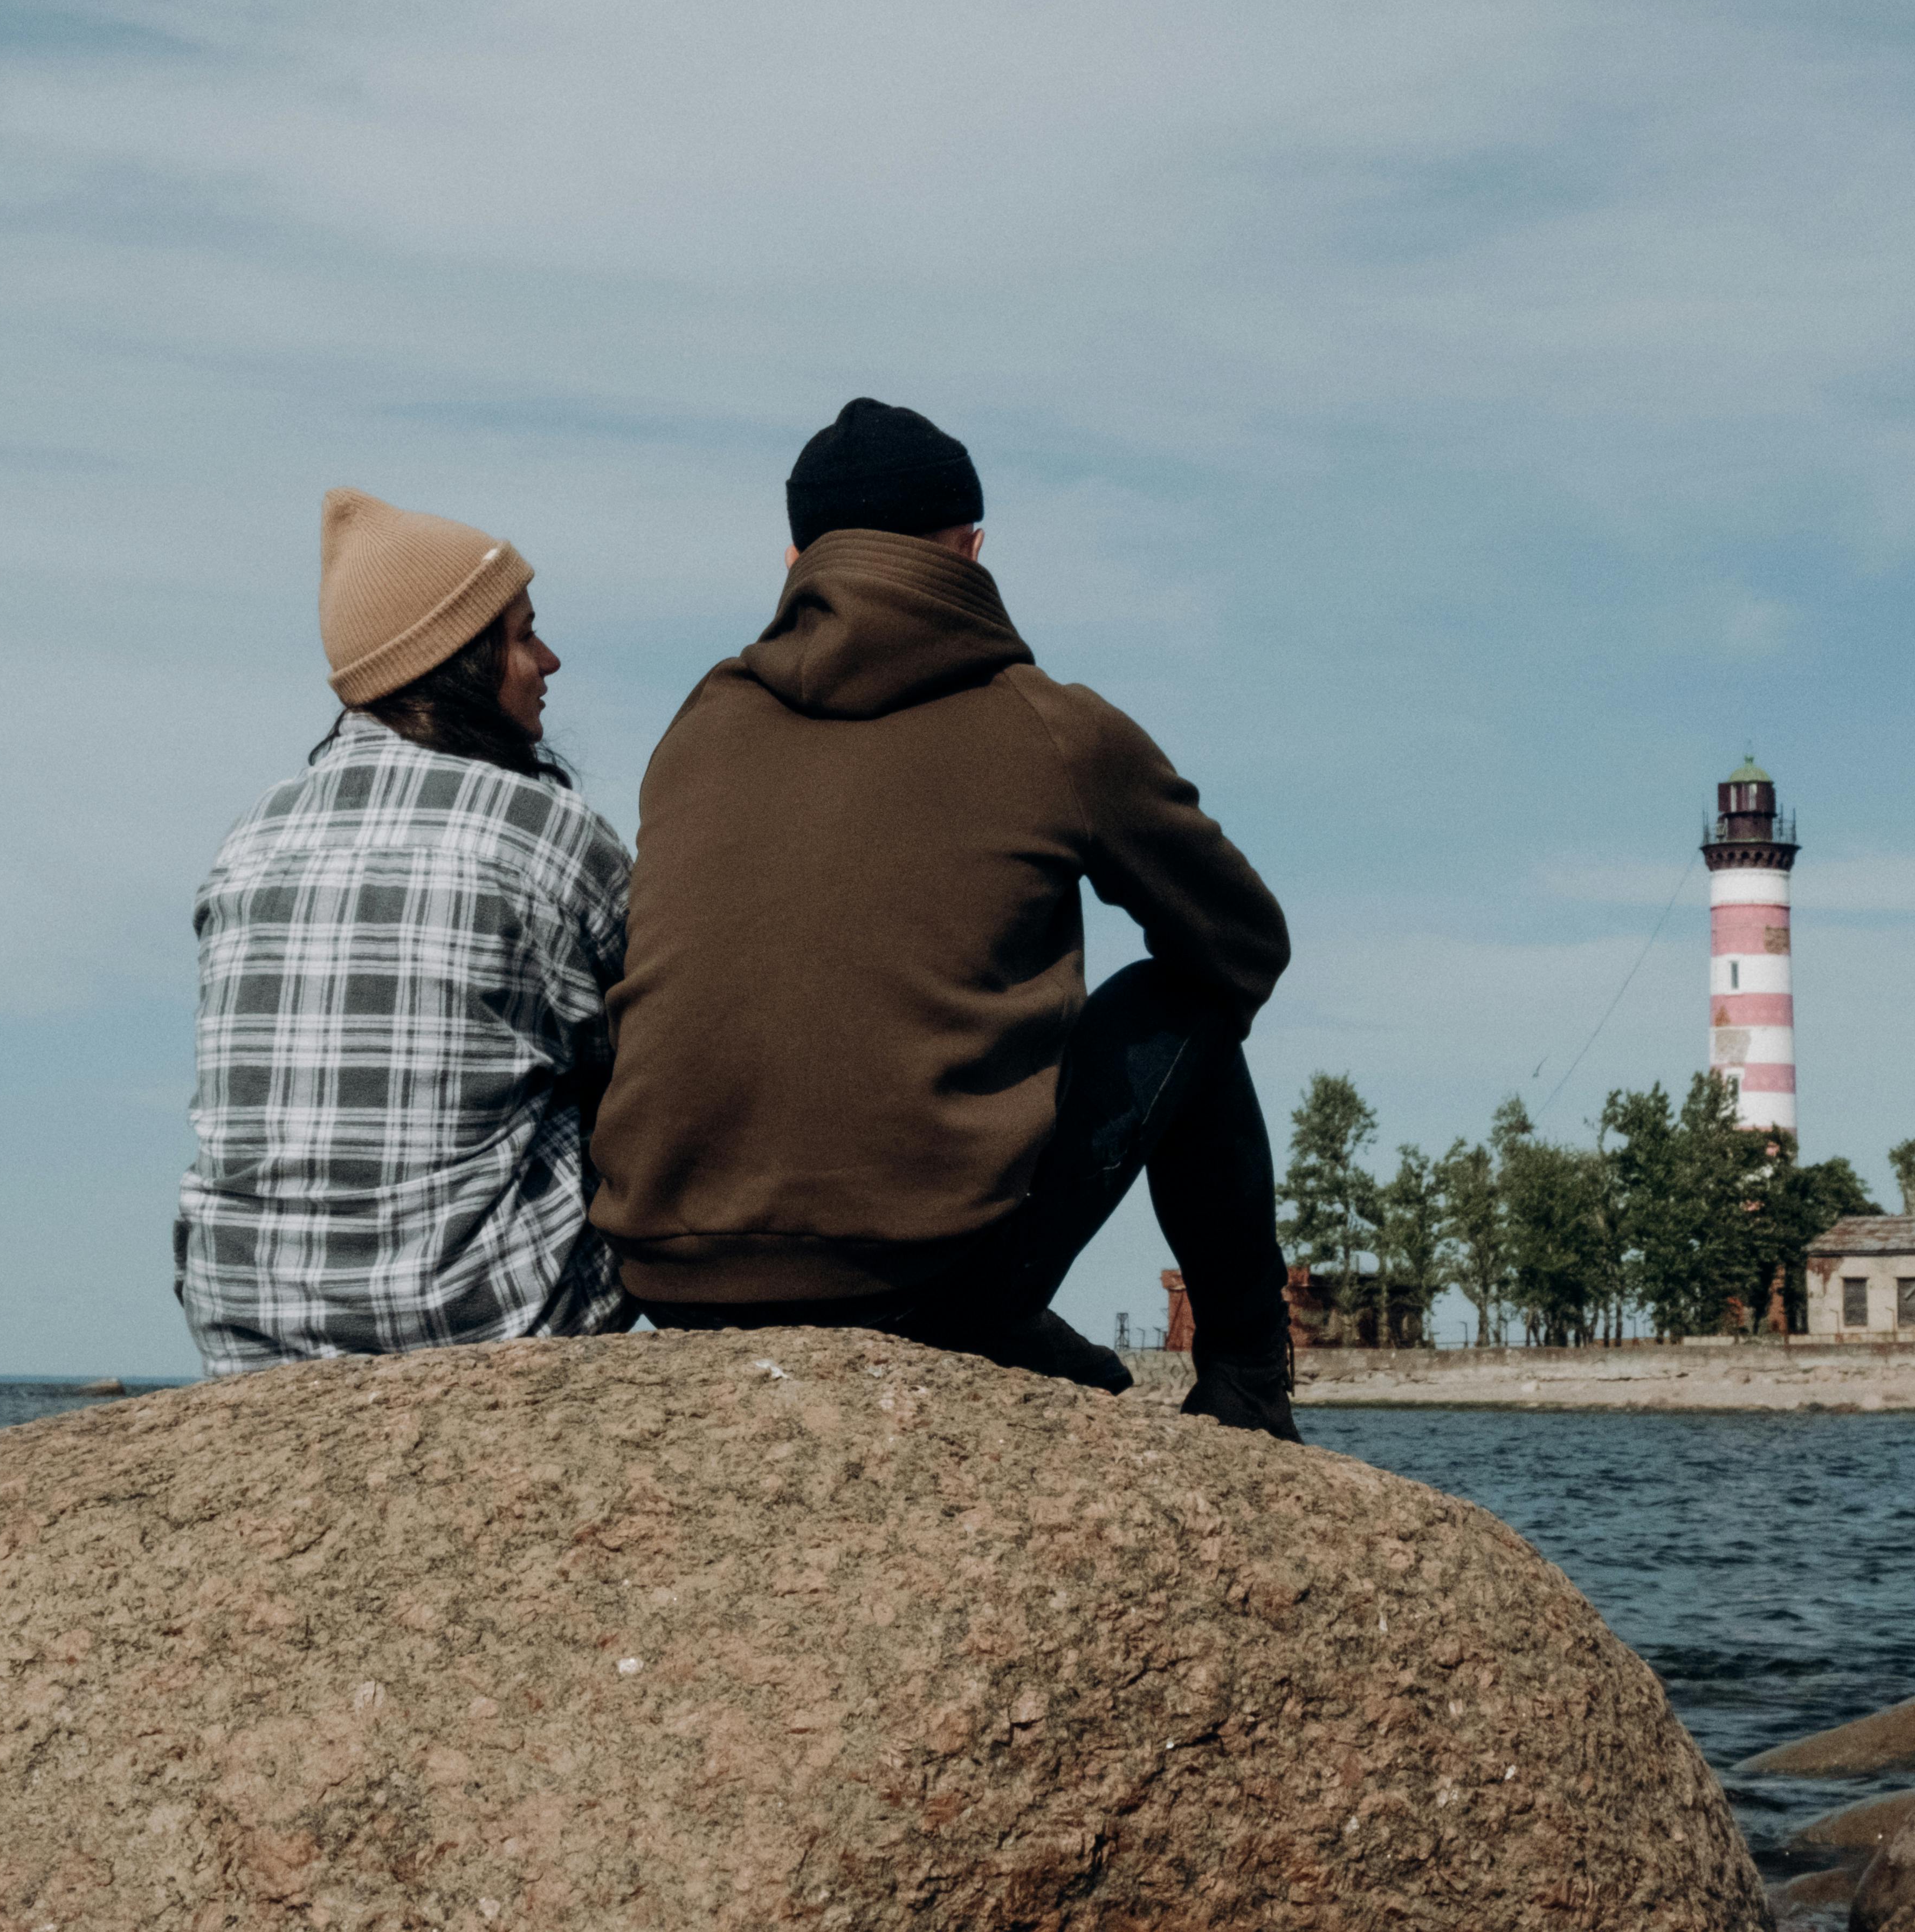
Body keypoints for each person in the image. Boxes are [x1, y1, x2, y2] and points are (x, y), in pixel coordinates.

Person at [590, 398, 1301, 1438]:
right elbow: (1244, 945)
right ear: (972, 550)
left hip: (672, 1275)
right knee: (1182, 995)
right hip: (925, 1284)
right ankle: (1246, 1388)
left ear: (793, 559)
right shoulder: (1051, 723)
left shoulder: (701, 721)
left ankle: (1018, 1329)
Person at [175, 487, 634, 1376]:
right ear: (460, 660)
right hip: (481, 1325)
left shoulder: (251, 836)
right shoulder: (544, 829)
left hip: (245, 1332)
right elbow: (656, 1050)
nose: (549, 659)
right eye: (523, 634)